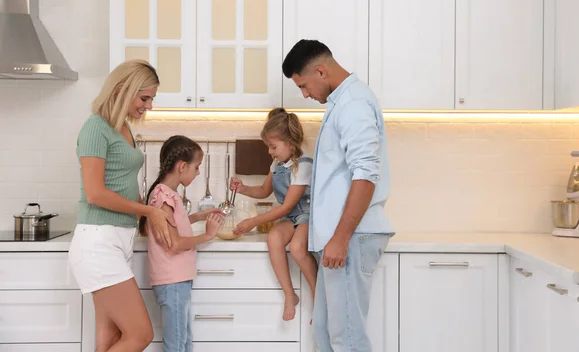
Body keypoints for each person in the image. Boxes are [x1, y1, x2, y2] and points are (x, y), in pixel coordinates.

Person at [282, 40, 396, 351]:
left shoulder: (354, 104)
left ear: (321, 70)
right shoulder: (341, 104)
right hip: (339, 239)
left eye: (304, 85)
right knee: (324, 333)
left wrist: (341, 238)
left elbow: (365, 174)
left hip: (350, 238)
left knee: (347, 338)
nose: (305, 94)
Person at [68, 60, 175, 351]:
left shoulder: (122, 128)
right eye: (144, 98)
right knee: (140, 335)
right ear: (122, 90)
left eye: (151, 98)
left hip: (117, 240)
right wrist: (149, 212)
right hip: (97, 243)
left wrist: (151, 218)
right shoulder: (95, 128)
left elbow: (124, 184)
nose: (149, 106)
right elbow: (96, 194)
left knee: (111, 340)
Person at [229, 108, 318, 321]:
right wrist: (243, 188)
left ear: (291, 143)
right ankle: (290, 294)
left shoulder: (303, 166)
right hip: (289, 217)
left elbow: (287, 206)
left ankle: (318, 297)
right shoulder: (277, 163)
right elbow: (263, 191)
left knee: (297, 248)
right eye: (269, 146)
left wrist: (253, 221)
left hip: (306, 214)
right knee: (274, 238)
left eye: (273, 147)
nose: (270, 152)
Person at [139, 135, 223, 352]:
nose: (197, 173)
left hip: (177, 280)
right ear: (182, 166)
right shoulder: (164, 196)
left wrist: (198, 216)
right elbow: (174, 243)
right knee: (176, 344)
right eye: (196, 167)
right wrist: (207, 235)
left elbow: (173, 226)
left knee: (183, 342)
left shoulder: (167, 194)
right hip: (172, 281)